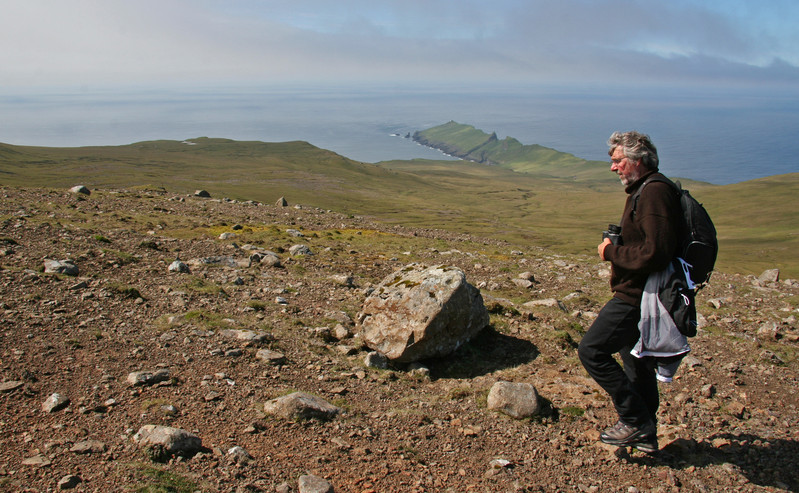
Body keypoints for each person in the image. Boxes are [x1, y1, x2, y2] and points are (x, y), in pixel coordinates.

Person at [577, 131, 683, 453]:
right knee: (635, 359)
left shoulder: (653, 193)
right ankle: (646, 433)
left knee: (591, 350)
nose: (613, 168)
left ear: (637, 161)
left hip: (637, 296)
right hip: (640, 293)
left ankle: (635, 420)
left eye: (617, 161)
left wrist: (610, 253)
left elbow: (656, 252)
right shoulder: (647, 190)